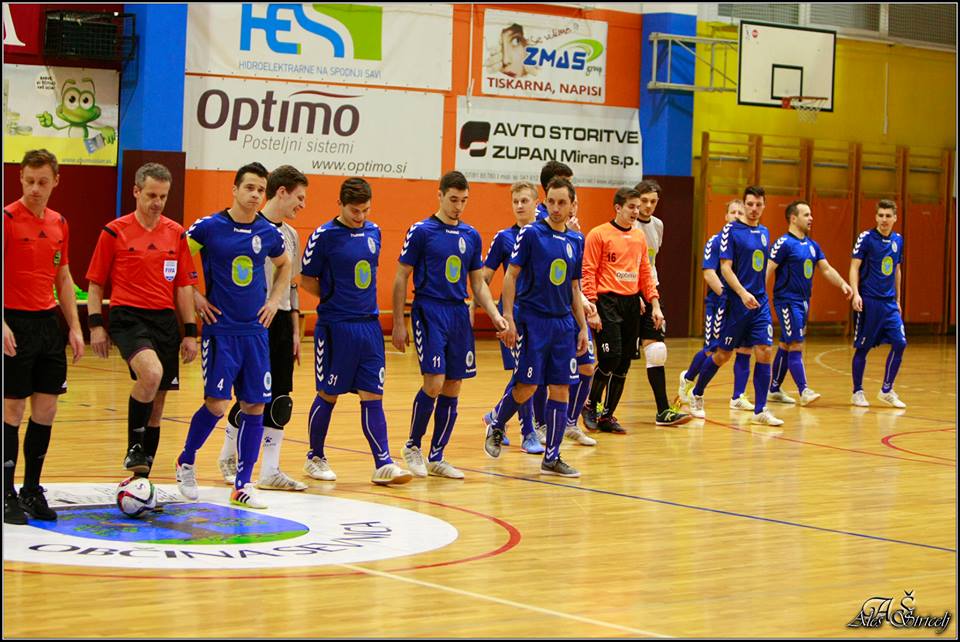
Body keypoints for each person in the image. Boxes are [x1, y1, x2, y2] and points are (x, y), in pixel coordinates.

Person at [175, 162, 291, 509]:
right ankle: (186, 460)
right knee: (217, 404)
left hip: (255, 332)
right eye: (250, 188)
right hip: (221, 331)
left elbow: (285, 264)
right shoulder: (209, 227)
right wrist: (196, 297)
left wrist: (274, 301)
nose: (255, 195)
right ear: (235, 189)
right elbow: (178, 260)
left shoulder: (268, 232)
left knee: (255, 405)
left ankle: (243, 484)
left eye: (261, 190)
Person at [85, 162, 199, 486]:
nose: (157, 202)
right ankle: (133, 446)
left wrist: (190, 332)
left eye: (163, 196)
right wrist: (96, 325)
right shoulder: (114, 232)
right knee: (151, 373)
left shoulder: (176, 233)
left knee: (157, 404)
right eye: (151, 195)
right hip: (128, 316)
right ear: (136, 191)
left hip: (164, 320)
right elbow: (95, 283)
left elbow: (183, 287)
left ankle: (141, 480)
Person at [392, 171, 508, 480]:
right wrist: (399, 323)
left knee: (454, 384)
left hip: (458, 313)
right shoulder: (421, 231)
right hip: (429, 309)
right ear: (440, 195)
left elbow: (478, 283)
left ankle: (437, 456)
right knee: (434, 382)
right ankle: (412, 446)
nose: (458, 206)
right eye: (453, 199)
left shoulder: (471, 235)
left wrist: (494, 314)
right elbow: (401, 276)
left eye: (464, 200)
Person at [300, 178, 413, 485]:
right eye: (354, 211)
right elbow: (307, 279)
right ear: (340, 204)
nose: (360, 216)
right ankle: (315, 456)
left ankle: (383, 463)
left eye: (365, 210)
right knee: (329, 393)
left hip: (369, 327)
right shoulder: (324, 235)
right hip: (336, 327)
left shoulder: (374, 232)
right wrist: (333, 296)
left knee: (373, 393)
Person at [483, 177, 589, 477]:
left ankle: (552, 456)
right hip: (533, 321)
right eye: (551, 202)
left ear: (571, 205)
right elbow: (511, 275)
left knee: (561, 388)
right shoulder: (531, 233)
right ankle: (497, 423)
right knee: (527, 385)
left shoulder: (576, 240)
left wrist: (582, 327)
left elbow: (574, 287)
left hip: (563, 324)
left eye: (562, 203)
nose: (555, 208)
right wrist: (508, 317)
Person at [3, 149, 84, 524]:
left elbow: (63, 277)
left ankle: (31, 490)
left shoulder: (59, 223)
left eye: (42, 182)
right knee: (13, 409)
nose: (35, 189)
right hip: (13, 322)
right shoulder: (7, 219)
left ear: (55, 182)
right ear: (20, 178)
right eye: (29, 181)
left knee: (46, 410)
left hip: (47, 324)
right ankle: (6, 493)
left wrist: (75, 327)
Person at [216, 165, 308, 492]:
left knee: (280, 398)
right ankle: (229, 456)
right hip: (252, 321)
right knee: (251, 396)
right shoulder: (249, 227)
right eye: (299, 198)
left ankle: (270, 470)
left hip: (280, 321)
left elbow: (292, 285)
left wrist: (295, 330)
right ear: (281, 192)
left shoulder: (292, 235)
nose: (302, 205)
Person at [579, 187, 688, 432]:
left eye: (638, 207)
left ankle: (607, 416)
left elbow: (645, 273)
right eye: (632, 207)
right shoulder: (599, 234)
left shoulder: (639, 237)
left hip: (631, 304)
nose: (636, 211)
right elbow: (588, 271)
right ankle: (590, 405)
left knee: (623, 363)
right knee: (610, 357)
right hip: (607, 302)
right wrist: (592, 307)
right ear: (618, 207)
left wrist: (654, 304)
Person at [687, 185, 783, 426]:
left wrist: (757, 293)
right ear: (744, 204)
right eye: (749, 204)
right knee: (722, 354)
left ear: (764, 206)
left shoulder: (764, 232)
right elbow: (725, 268)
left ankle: (760, 410)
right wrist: (742, 293)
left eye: (758, 204)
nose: (753, 209)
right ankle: (697, 393)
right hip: (735, 304)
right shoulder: (730, 231)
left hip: (759, 304)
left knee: (765, 350)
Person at [478, 181, 544, 455]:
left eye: (524, 201)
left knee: (531, 375)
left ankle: (495, 415)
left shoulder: (545, 235)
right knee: (523, 374)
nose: (519, 206)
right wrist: (478, 303)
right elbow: (484, 276)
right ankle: (528, 432)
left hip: (541, 317)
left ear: (536, 204)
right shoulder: (504, 237)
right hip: (514, 315)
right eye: (515, 201)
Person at [765, 200, 853, 405]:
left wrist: (842, 284)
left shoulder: (812, 246)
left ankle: (774, 389)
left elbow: (826, 269)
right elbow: (768, 269)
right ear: (793, 218)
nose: (811, 218)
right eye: (806, 215)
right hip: (787, 302)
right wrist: (759, 297)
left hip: (803, 302)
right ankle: (804, 391)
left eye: (811, 214)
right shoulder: (784, 243)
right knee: (796, 343)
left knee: (787, 343)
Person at [678, 200, 754, 410]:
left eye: (741, 212)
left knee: (745, 348)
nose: (737, 216)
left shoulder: (748, 242)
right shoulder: (716, 241)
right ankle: (688, 378)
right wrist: (729, 295)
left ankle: (738, 397)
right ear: (726, 216)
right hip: (720, 303)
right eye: (733, 212)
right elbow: (709, 273)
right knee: (713, 348)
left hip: (743, 306)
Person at [849, 200, 907, 408]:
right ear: (875, 217)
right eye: (880, 215)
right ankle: (857, 392)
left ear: (895, 218)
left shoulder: (898, 240)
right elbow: (854, 267)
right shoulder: (866, 238)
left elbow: (897, 270)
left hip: (889, 304)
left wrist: (898, 300)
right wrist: (856, 294)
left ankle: (887, 389)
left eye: (888, 216)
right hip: (869, 302)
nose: (884, 219)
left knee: (900, 343)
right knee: (863, 348)